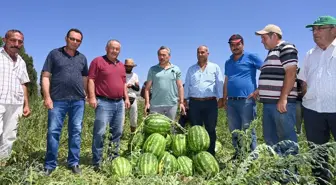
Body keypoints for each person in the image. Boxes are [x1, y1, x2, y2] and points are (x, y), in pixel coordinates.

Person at [41, 28, 88, 175]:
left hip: (78, 101)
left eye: (78, 40)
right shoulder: (54, 54)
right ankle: (50, 164)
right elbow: (46, 76)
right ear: (66, 38)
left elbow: (85, 77)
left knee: (76, 132)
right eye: (72, 39)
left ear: (81, 42)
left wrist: (85, 93)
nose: (75, 42)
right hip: (58, 100)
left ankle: (73, 163)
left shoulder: (82, 58)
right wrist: (47, 97)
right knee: (54, 132)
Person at [298, 15, 336, 185]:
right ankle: (322, 182)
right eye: (313, 29)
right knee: (317, 153)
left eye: (320, 28)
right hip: (313, 110)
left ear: (333, 30)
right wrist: (303, 95)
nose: (315, 32)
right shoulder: (309, 54)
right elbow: (303, 81)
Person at [254, 24, 298, 152]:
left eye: (264, 37)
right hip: (270, 104)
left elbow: (291, 73)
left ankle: (290, 171)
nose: (261, 41)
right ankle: (277, 169)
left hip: (281, 104)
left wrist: (283, 98)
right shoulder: (271, 53)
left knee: (286, 139)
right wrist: (259, 90)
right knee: (271, 139)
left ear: (274, 36)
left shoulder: (286, 47)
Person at [88, 39, 130, 171]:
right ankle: (97, 162)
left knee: (117, 132)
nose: (115, 51)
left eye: (117, 49)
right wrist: (92, 97)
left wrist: (126, 98)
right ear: (106, 48)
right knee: (100, 132)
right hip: (103, 102)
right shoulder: (97, 61)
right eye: (112, 48)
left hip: (119, 103)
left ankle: (113, 158)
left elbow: (123, 84)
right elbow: (91, 79)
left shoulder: (121, 66)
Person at [222, 34, 263, 157]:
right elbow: (227, 80)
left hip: (247, 101)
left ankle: (252, 159)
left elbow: (266, 70)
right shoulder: (228, 62)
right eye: (232, 45)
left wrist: (258, 90)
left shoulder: (251, 57)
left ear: (243, 44)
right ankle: (239, 155)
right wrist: (224, 98)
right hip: (231, 102)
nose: (235, 47)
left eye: (237, 44)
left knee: (248, 131)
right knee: (234, 131)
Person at [184, 45, 224, 155]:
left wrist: (221, 98)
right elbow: (187, 85)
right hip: (194, 103)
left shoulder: (215, 67)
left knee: (210, 128)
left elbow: (219, 83)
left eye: (203, 52)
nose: (200, 54)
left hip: (210, 102)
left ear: (208, 53)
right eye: (198, 52)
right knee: (196, 130)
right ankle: (197, 154)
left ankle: (210, 154)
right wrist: (184, 100)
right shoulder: (191, 69)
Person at [0, 30, 31, 164]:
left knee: (10, 136)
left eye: (20, 42)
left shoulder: (21, 62)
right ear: (5, 40)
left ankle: (2, 164)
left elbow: (23, 83)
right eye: (13, 40)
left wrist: (26, 104)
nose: (16, 44)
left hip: (15, 103)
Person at [144, 46, 185, 120]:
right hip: (155, 105)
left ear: (169, 56)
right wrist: (147, 103)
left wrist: (181, 102)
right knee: (155, 129)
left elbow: (180, 86)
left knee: (170, 128)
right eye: (159, 55)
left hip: (172, 105)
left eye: (164, 55)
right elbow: (147, 88)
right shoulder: (152, 69)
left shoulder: (176, 69)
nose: (161, 57)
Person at [124, 58, 140, 133]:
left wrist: (132, 86)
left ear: (132, 67)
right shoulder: (121, 74)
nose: (128, 67)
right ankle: (119, 135)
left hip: (132, 97)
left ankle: (132, 134)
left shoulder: (135, 75)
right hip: (122, 97)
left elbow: (137, 88)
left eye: (130, 66)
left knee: (134, 118)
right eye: (127, 66)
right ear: (125, 66)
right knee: (121, 118)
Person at [295, 68, 303, 135]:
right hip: (296, 101)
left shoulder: (301, 81)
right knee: (298, 115)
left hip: (302, 101)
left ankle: (299, 131)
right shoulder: (294, 80)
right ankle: (299, 131)